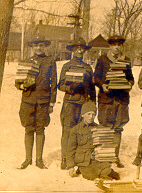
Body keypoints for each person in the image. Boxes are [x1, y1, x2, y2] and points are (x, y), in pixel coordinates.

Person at [16, 35, 57, 169]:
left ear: (45, 47)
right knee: (28, 129)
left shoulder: (50, 61)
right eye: (35, 45)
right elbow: (18, 81)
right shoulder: (26, 62)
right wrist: (21, 85)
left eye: (41, 45)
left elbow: (54, 83)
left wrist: (51, 103)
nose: (38, 48)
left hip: (43, 101)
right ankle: (28, 159)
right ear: (32, 47)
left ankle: (39, 160)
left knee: (40, 129)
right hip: (28, 100)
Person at [94, 35, 134, 168]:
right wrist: (102, 85)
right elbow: (96, 77)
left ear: (121, 46)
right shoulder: (103, 59)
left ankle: (115, 157)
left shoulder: (126, 60)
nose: (116, 47)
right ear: (109, 46)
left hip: (121, 99)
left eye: (119, 45)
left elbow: (130, 78)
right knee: (105, 127)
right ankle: (105, 157)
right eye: (113, 45)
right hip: (107, 99)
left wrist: (129, 84)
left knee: (118, 128)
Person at [58, 38, 96, 170]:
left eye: (82, 49)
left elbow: (92, 87)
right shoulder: (66, 66)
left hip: (84, 104)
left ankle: (79, 157)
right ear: (73, 50)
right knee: (67, 131)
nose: (80, 51)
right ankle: (65, 158)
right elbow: (60, 85)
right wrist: (70, 87)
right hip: (70, 103)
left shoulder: (88, 67)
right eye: (77, 48)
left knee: (82, 131)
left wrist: (93, 104)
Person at [66, 101, 120, 181]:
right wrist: (70, 166)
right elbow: (70, 149)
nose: (91, 117)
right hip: (84, 162)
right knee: (91, 175)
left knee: (108, 172)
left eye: (93, 114)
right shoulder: (75, 130)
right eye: (88, 114)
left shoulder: (98, 128)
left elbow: (103, 146)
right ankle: (81, 170)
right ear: (83, 114)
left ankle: (104, 174)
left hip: (96, 160)